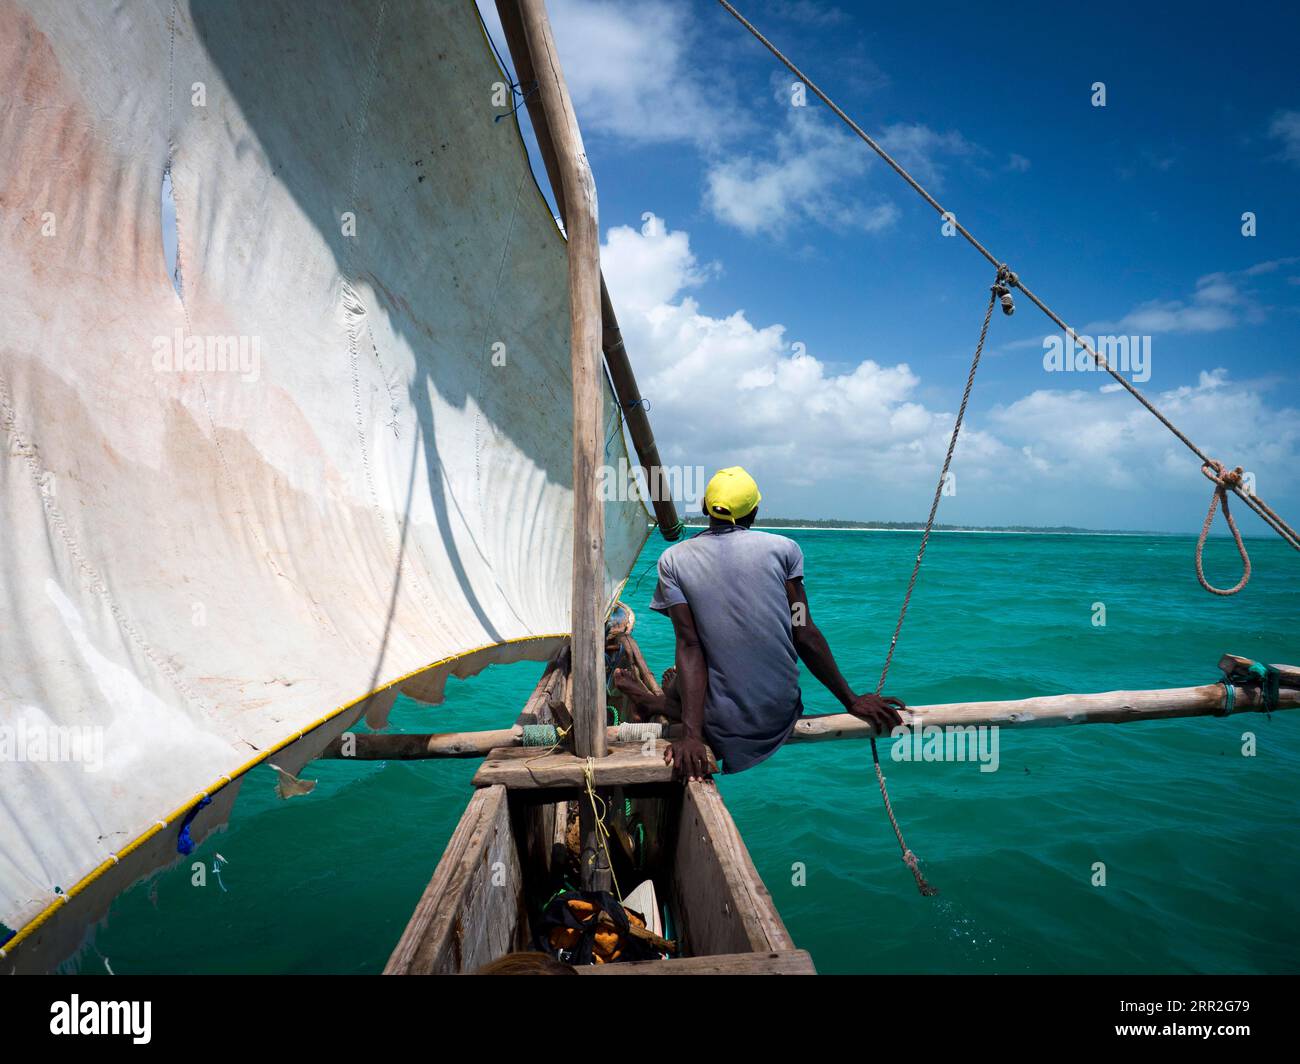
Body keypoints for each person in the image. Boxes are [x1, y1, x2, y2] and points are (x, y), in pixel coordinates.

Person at [620, 466, 904, 780]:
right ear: (754, 512)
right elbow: (803, 630)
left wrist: (691, 736)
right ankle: (654, 701)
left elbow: (689, 644)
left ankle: (653, 702)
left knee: (683, 672)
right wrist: (851, 700)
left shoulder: (672, 560)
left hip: (721, 722)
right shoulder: (785, 550)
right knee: (692, 672)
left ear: (704, 509)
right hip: (778, 712)